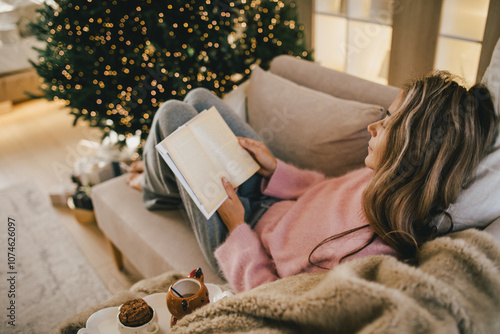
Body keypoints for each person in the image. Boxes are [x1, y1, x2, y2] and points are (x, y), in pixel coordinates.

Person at [127, 70, 498, 293]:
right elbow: (321, 191)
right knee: (200, 98)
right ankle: (165, 178)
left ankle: (155, 191)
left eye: (387, 124)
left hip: (243, 233)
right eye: (383, 115)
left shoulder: (368, 254)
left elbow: (269, 295)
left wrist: (235, 223)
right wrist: (275, 171)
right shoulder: (382, 177)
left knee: (173, 115)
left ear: (412, 149)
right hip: (269, 200)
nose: (373, 126)